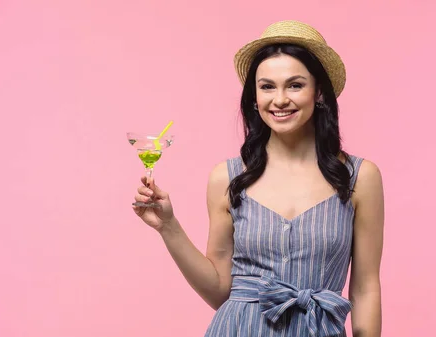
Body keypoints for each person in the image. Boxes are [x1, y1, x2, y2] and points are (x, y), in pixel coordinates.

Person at [133, 20, 384, 337]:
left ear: (319, 92)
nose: (280, 99)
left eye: (295, 85)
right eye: (267, 86)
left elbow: (365, 288)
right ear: (254, 97)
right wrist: (168, 227)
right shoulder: (227, 177)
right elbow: (219, 291)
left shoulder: (360, 177)